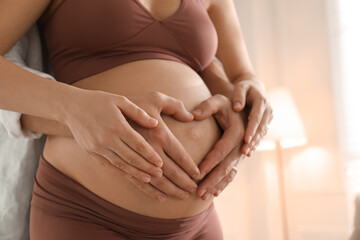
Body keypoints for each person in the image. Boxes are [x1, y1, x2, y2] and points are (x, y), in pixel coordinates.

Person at [0, 0, 273, 239]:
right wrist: (73, 107)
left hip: (198, 222)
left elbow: (243, 76)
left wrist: (251, 95)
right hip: (86, 213)